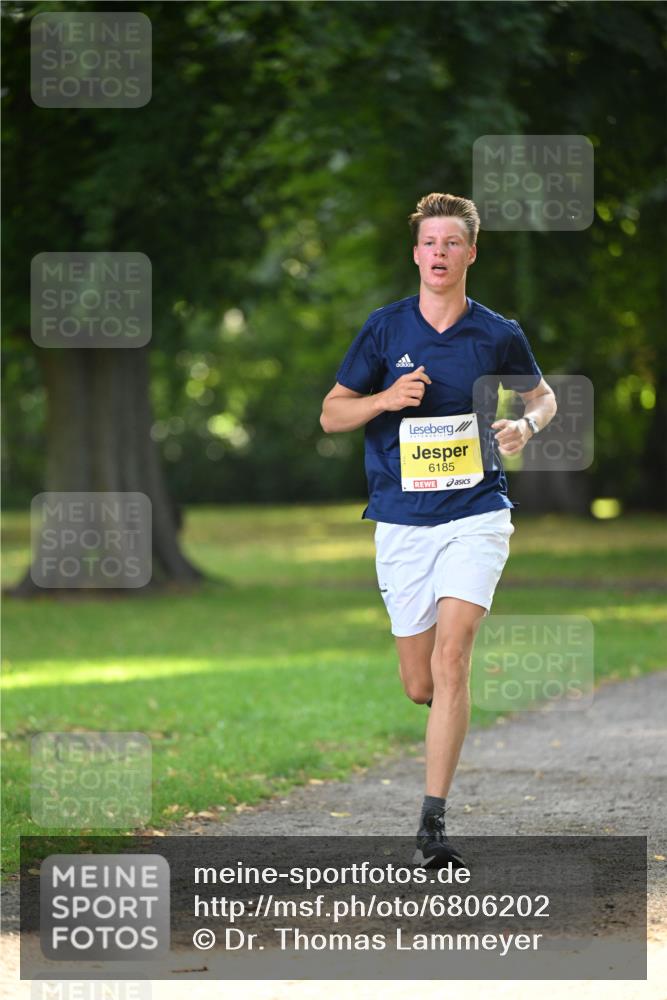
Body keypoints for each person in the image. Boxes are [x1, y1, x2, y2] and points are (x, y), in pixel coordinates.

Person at [320, 192, 557, 867]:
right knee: (420, 684)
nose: (438, 254)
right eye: (428, 243)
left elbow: (541, 397)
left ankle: (432, 825)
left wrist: (524, 426)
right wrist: (385, 399)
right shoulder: (384, 330)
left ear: (470, 252)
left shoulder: (496, 333)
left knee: (452, 659)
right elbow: (332, 415)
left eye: (451, 243)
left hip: (477, 514)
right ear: (415, 252)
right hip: (400, 523)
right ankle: (439, 723)